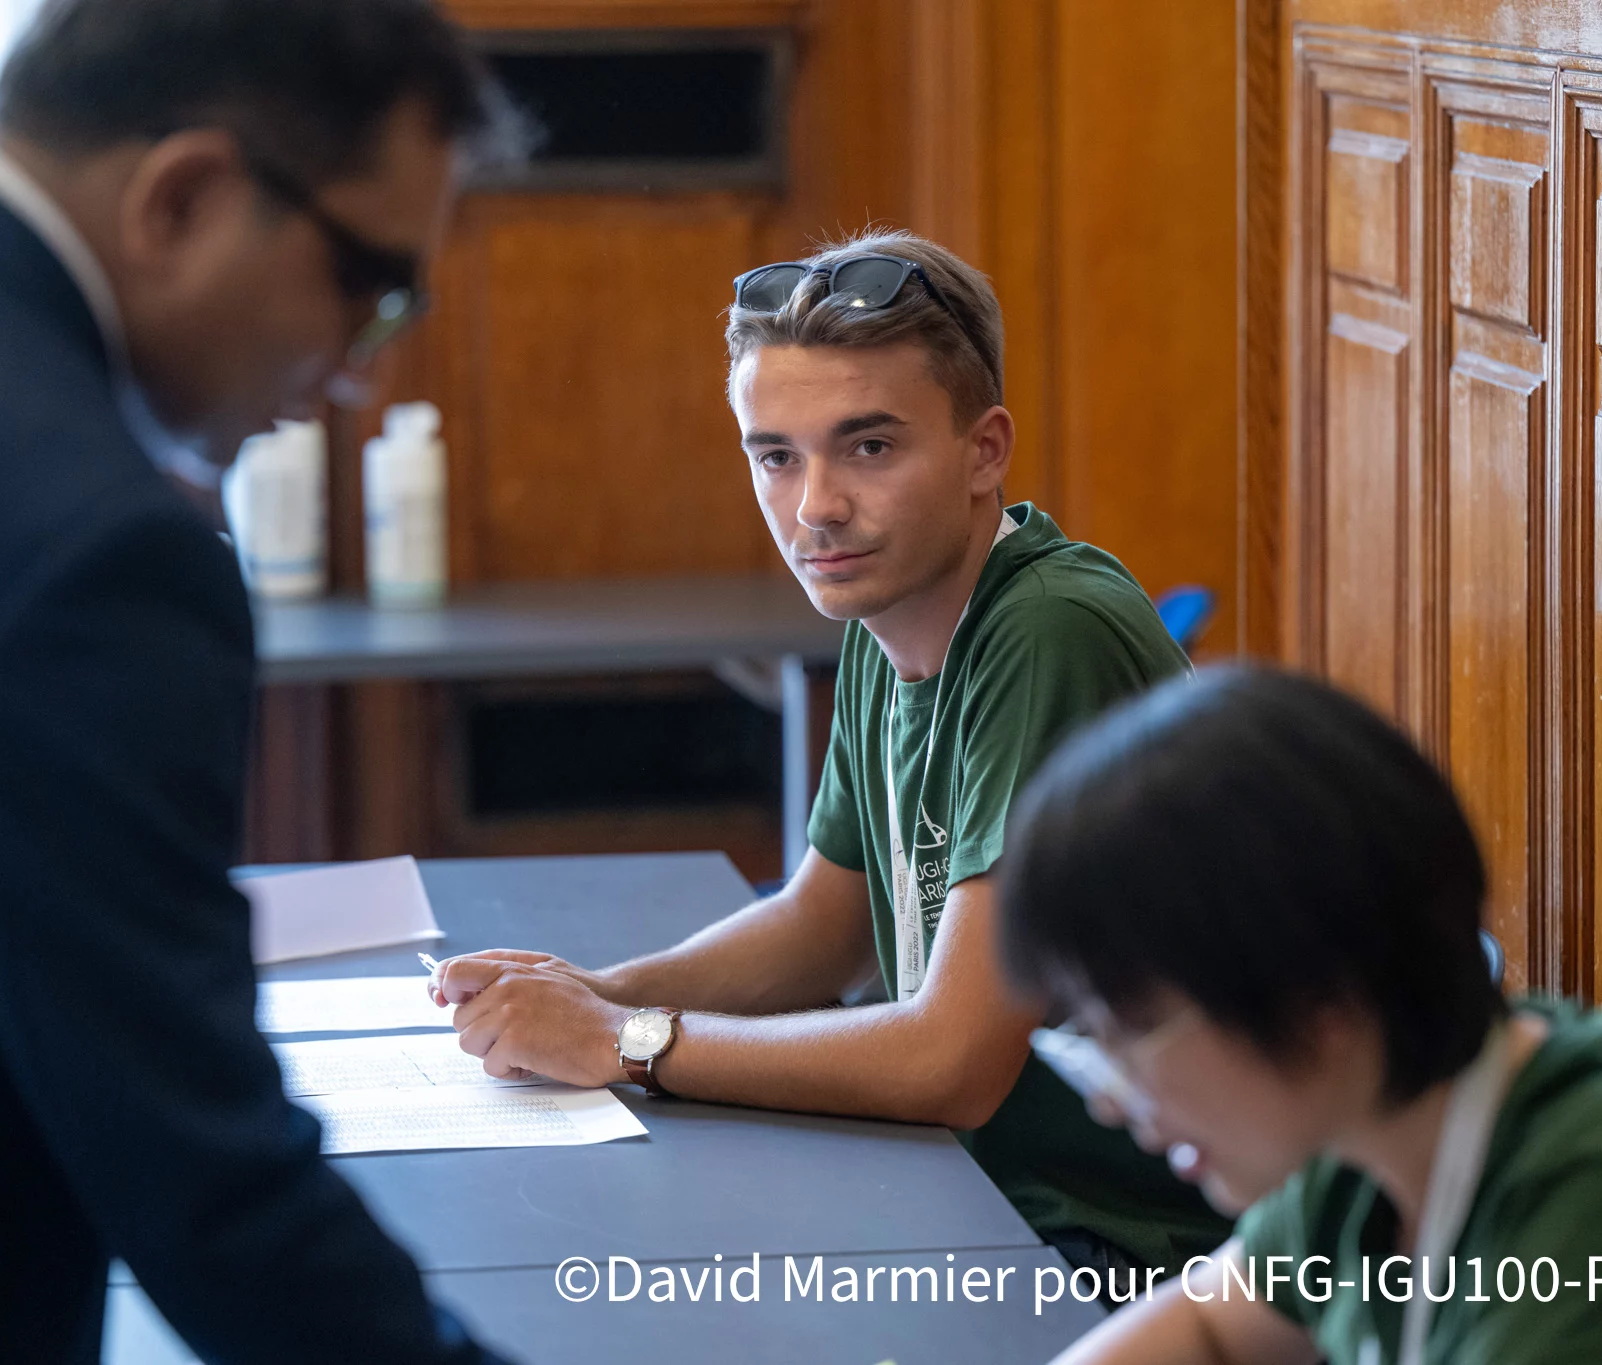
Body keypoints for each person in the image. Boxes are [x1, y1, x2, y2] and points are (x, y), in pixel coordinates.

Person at [0, 2, 519, 1361]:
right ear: (184, 197)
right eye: (367, 284)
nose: (353, 371)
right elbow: (203, 1183)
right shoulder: (82, 551)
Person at [429, 229, 1231, 1272]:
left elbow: (952, 1062)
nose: (816, 508)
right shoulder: (885, 608)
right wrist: (598, 994)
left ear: (984, 450)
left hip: (1125, 1250)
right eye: (776, 456)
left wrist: (626, 1042)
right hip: (974, 1193)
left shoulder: (1047, 626)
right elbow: (826, 923)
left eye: (870, 448)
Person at [994, 666, 1602, 1364]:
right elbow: (1209, 1327)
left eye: (1134, 1028)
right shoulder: (1364, 1142)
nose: (1109, 1094)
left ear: (1317, 993)